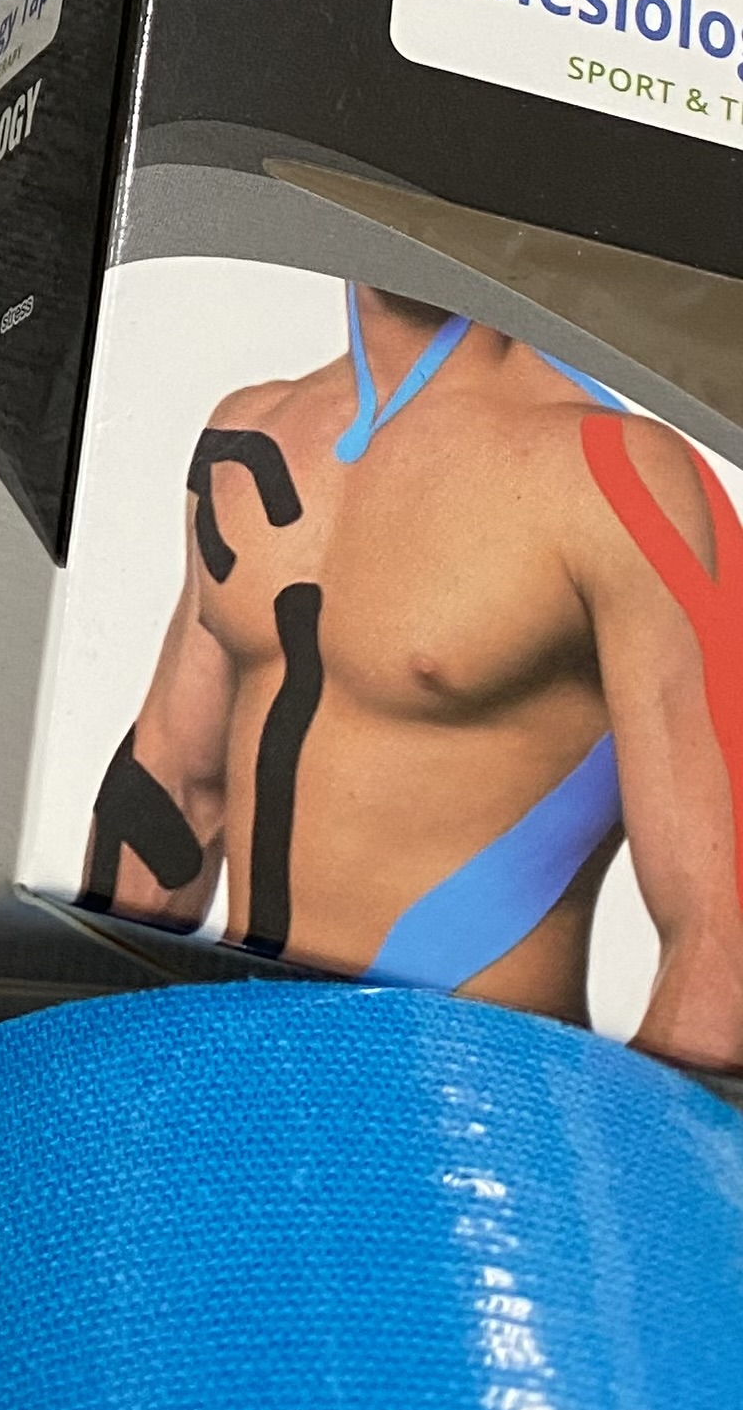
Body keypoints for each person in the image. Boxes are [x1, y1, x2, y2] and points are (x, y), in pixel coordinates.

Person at [82, 282, 743, 1072]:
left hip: (480, 1102)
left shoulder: (619, 471)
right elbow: (173, 793)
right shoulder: (251, 432)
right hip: (254, 1088)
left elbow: (722, 934)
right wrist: (97, 1079)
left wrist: (619, 1146)